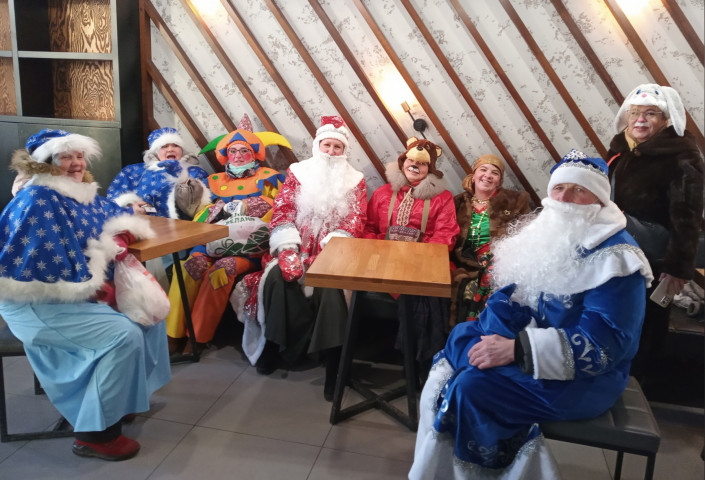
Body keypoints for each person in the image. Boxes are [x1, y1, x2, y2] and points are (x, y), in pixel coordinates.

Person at [409, 150, 653, 479]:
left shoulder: (617, 259)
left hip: (584, 378)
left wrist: (517, 350)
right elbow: (520, 295)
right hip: (530, 342)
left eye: (579, 190)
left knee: (473, 387)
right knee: (460, 339)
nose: (565, 198)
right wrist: (498, 328)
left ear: (599, 198)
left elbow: (607, 344)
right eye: (559, 188)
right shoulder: (551, 232)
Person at [0, 129, 171, 461]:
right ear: (46, 163)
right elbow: (45, 261)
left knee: (149, 315)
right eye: (66, 156)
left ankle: (123, 400)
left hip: (75, 295)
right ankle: (95, 435)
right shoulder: (38, 199)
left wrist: (121, 231)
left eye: (79, 156)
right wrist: (101, 275)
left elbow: (111, 216)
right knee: (122, 335)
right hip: (37, 302)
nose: (76, 163)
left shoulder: (78, 193)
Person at [230, 115, 367, 398]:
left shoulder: (356, 180)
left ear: (344, 151)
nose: (331, 152)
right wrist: (288, 249)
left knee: (332, 288)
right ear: (318, 146)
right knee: (276, 278)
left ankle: (333, 364)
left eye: (337, 147)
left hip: (332, 251)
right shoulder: (298, 173)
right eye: (327, 145)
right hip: (295, 247)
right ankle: (273, 347)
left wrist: (330, 250)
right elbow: (282, 210)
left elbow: (355, 220)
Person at [165, 115, 287, 356]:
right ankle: (172, 334)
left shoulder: (269, 177)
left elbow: (280, 207)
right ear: (226, 154)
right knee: (189, 267)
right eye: (233, 151)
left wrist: (252, 206)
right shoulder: (212, 181)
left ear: (254, 154)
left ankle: (197, 336)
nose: (238, 155)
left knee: (222, 270)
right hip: (210, 242)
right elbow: (199, 213)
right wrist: (214, 210)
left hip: (246, 248)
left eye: (244, 150)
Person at [607, 84, 704, 380]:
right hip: (617, 250)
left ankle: (641, 381)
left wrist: (678, 267)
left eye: (650, 113)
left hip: (655, 256)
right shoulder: (620, 150)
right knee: (617, 314)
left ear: (665, 119)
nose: (640, 120)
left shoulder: (681, 156)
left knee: (648, 321)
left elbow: (688, 216)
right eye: (635, 113)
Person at [363, 136, 459, 377]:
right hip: (384, 261)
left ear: (430, 169)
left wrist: (417, 260)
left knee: (426, 291)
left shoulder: (443, 198)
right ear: (402, 162)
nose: (415, 166)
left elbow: (446, 234)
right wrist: (381, 253)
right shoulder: (383, 193)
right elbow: (369, 228)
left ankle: (421, 363)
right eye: (411, 160)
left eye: (422, 163)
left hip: (423, 263)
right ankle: (415, 362)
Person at [450, 154, 531, 325]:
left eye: (495, 173)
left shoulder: (514, 202)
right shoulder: (458, 202)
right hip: (463, 266)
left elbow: (527, 236)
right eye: (483, 170)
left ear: (499, 181)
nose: (488, 175)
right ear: (474, 174)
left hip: (498, 268)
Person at [107, 127, 211, 219]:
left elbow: (200, 207)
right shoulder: (132, 170)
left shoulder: (195, 172)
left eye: (175, 145)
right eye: (164, 146)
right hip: (139, 223)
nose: (170, 149)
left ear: (182, 150)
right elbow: (113, 198)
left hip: (180, 226)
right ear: (155, 152)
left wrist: (182, 178)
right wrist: (130, 206)